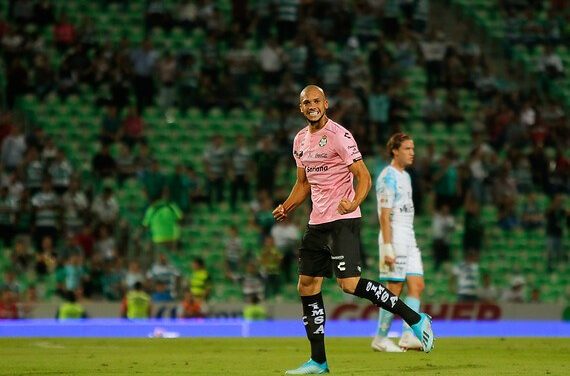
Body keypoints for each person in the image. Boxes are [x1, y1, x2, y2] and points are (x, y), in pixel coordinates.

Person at [273, 86, 433, 375]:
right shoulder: (299, 140)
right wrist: (287, 206)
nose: (312, 105)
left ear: (326, 103)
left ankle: (414, 318)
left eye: (316, 101)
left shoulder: (339, 135)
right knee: (306, 285)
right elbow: (303, 183)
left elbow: (364, 177)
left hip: (343, 220)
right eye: (306, 102)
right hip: (316, 223)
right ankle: (318, 361)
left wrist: (354, 202)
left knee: (348, 285)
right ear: (300, 108)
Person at [371, 132, 426, 353]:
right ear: (395, 150)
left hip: (409, 236)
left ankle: (407, 336)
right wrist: (388, 246)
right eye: (407, 149)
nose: (412, 153)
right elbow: (384, 215)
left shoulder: (406, 176)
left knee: (417, 285)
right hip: (394, 236)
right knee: (393, 288)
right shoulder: (388, 176)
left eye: (413, 149)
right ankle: (380, 338)